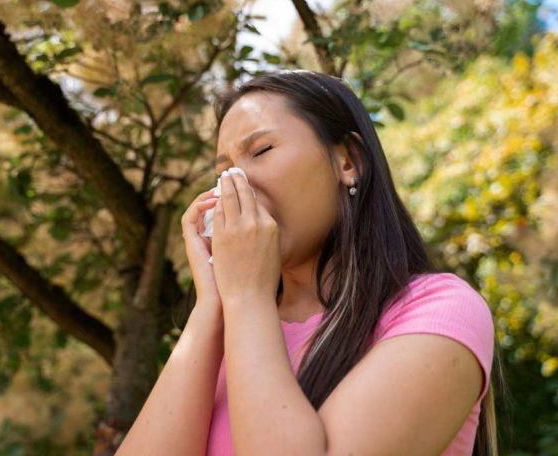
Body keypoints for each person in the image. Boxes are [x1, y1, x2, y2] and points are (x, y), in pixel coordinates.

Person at [115, 70, 499, 455]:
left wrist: (248, 296)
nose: (234, 186)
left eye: (262, 151)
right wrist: (212, 304)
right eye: (222, 172)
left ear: (348, 160)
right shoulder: (229, 333)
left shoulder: (440, 310)